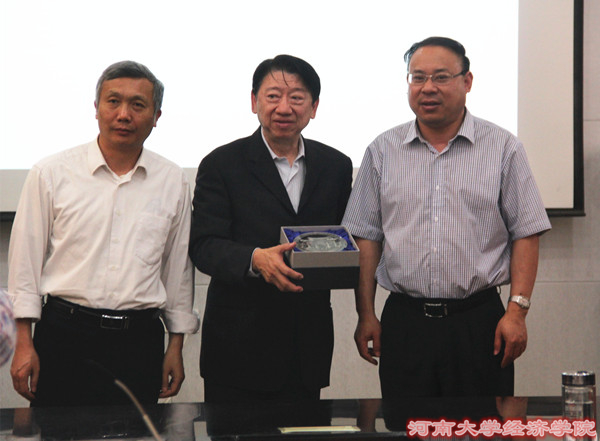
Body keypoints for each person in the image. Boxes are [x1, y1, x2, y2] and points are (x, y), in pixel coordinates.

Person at [343, 37, 551, 398]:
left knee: (481, 423)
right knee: (405, 424)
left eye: (440, 77)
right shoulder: (382, 151)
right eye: (418, 77)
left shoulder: (503, 147)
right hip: (404, 322)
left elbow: (526, 232)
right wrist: (366, 314)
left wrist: (517, 312)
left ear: (466, 81)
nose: (428, 88)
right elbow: (366, 238)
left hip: (479, 322)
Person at [8, 60, 199, 406]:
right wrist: (24, 341)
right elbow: (25, 264)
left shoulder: (172, 180)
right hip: (65, 334)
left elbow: (178, 272)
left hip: (139, 341)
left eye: (138, 105)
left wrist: (176, 345)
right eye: (113, 101)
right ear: (96, 108)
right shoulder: (51, 173)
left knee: (138, 430)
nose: (124, 114)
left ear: (156, 116)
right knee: (58, 429)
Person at [189, 54, 353, 403]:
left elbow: (345, 240)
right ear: (254, 102)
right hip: (238, 347)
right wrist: (254, 259)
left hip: (306, 345)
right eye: (273, 96)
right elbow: (203, 245)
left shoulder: (336, 166)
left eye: (297, 97)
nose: (284, 107)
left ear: (314, 107)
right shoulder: (221, 164)